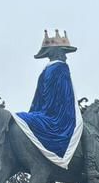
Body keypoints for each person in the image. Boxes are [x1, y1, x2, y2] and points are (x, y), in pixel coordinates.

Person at [12, 30, 85, 172]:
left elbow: (38, 99)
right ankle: (91, 165)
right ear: (56, 52)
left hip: (43, 111)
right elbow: (66, 94)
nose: (65, 56)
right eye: (63, 52)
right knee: (82, 127)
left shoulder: (44, 72)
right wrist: (74, 108)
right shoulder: (62, 68)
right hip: (59, 115)